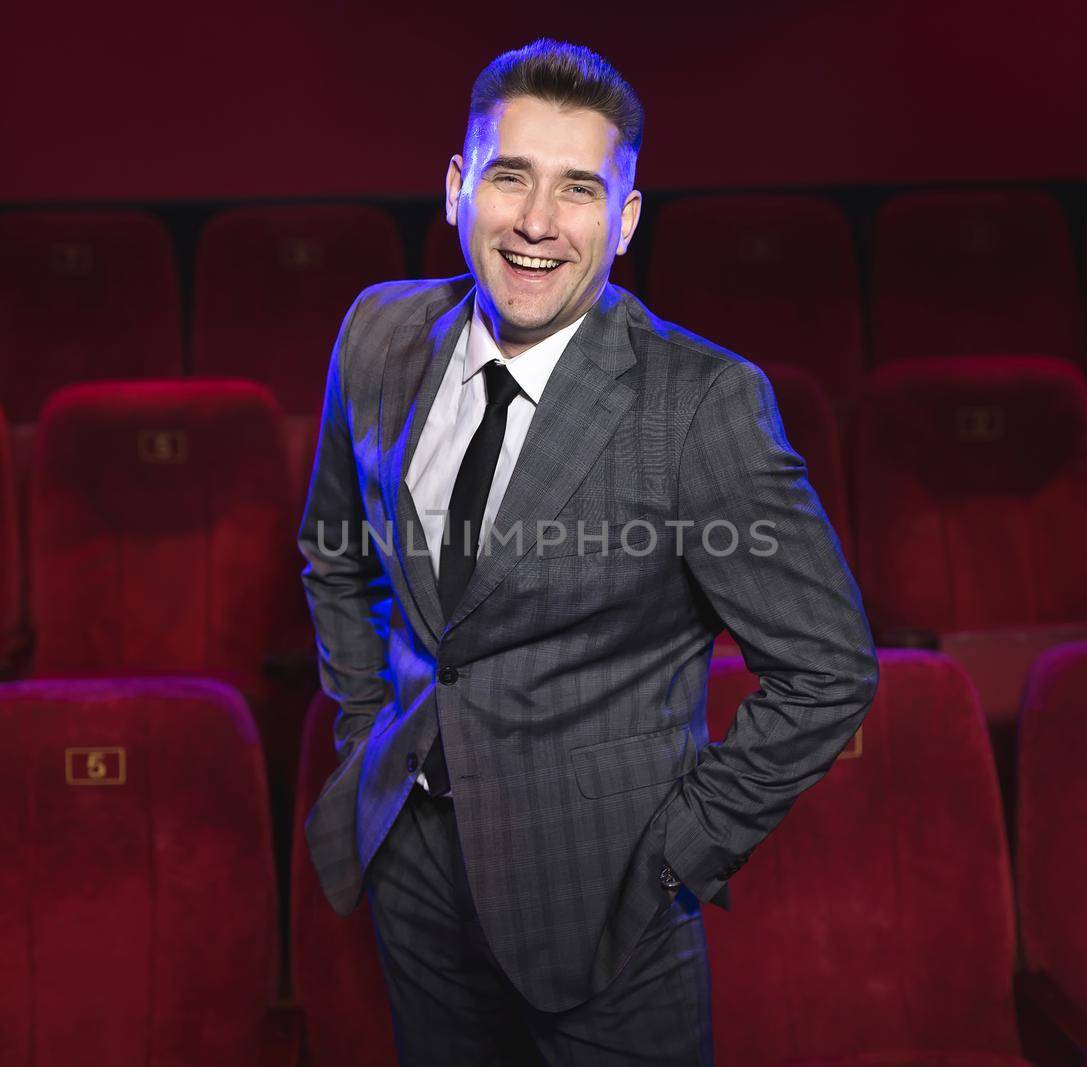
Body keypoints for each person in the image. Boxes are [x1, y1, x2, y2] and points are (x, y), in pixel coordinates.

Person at [299, 38, 877, 1066]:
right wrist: (364, 731)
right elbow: (334, 551)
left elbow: (827, 670)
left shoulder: (701, 403)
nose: (535, 222)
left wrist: (675, 857)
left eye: (578, 188)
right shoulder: (378, 334)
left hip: (602, 897)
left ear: (625, 220)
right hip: (413, 863)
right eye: (510, 176)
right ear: (455, 187)